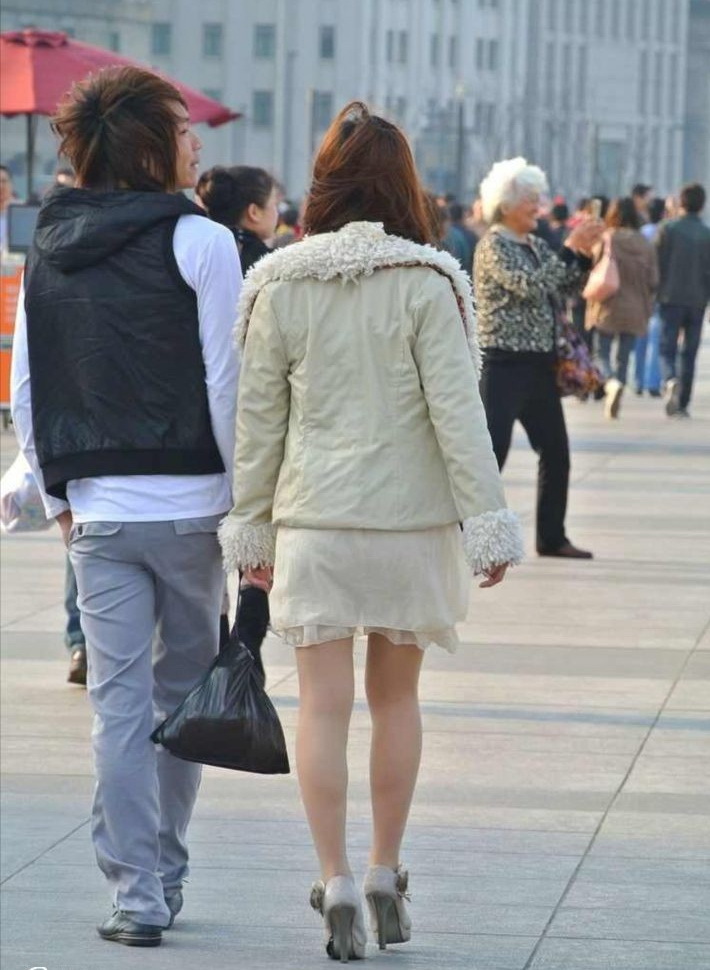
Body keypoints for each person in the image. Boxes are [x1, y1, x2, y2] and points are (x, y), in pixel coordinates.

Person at [218, 101, 523, 962]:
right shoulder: (431, 281)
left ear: (324, 184)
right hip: (411, 524)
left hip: (314, 521)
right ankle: (389, 869)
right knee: (397, 701)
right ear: (404, 187)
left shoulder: (278, 282)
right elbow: (458, 417)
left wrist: (252, 532)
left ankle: (337, 877)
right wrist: (487, 524)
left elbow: (260, 423)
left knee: (322, 705)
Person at [11, 66, 241, 946]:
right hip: (191, 507)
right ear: (151, 146)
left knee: (118, 706)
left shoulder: (51, 240)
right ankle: (166, 869)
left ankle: (135, 892)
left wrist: (59, 491)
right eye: (185, 130)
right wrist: (238, 496)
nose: (197, 144)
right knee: (180, 697)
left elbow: (27, 383)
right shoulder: (202, 241)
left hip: (98, 512)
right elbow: (227, 382)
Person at [473, 156, 603, 560]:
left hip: (538, 365)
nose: (538, 206)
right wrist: (568, 250)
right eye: (530, 199)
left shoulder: (533, 244)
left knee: (557, 451)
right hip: (504, 364)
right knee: (492, 454)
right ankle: (465, 533)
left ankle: (552, 536)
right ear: (506, 203)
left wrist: (582, 254)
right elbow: (527, 287)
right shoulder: (494, 245)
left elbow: (563, 284)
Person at [585, 197, 658, 419]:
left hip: (607, 302)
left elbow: (592, 265)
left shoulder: (607, 238)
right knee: (624, 355)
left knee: (602, 351)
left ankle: (610, 381)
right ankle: (620, 383)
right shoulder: (645, 243)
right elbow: (654, 279)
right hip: (635, 306)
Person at [656, 182, 710, 418]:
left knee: (667, 346)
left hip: (670, 296)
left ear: (681, 202)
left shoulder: (668, 229)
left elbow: (657, 263)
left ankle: (670, 379)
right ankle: (683, 403)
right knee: (689, 352)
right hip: (697, 300)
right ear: (702, 205)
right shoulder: (707, 233)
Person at [196, 164, 279, 273]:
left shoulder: (201, 254)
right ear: (254, 212)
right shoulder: (274, 265)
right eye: (274, 204)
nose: (277, 213)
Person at [634, 197, 667, 396]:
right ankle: (653, 382)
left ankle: (637, 380)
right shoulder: (666, 232)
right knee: (656, 338)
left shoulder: (640, 234)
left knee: (639, 337)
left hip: (639, 291)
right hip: (659, 290)